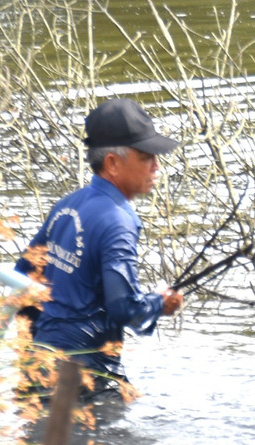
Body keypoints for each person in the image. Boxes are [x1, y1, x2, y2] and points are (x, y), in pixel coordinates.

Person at [14, 97, 184, 396]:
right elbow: (125, 308)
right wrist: (161, 302)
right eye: (146, 156)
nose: (157, 165)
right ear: (113, 163)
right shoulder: (118, 221)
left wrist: (29, 360)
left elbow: (22, 277)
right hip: (83, 379)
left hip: (39, 366)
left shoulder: (67, 206)